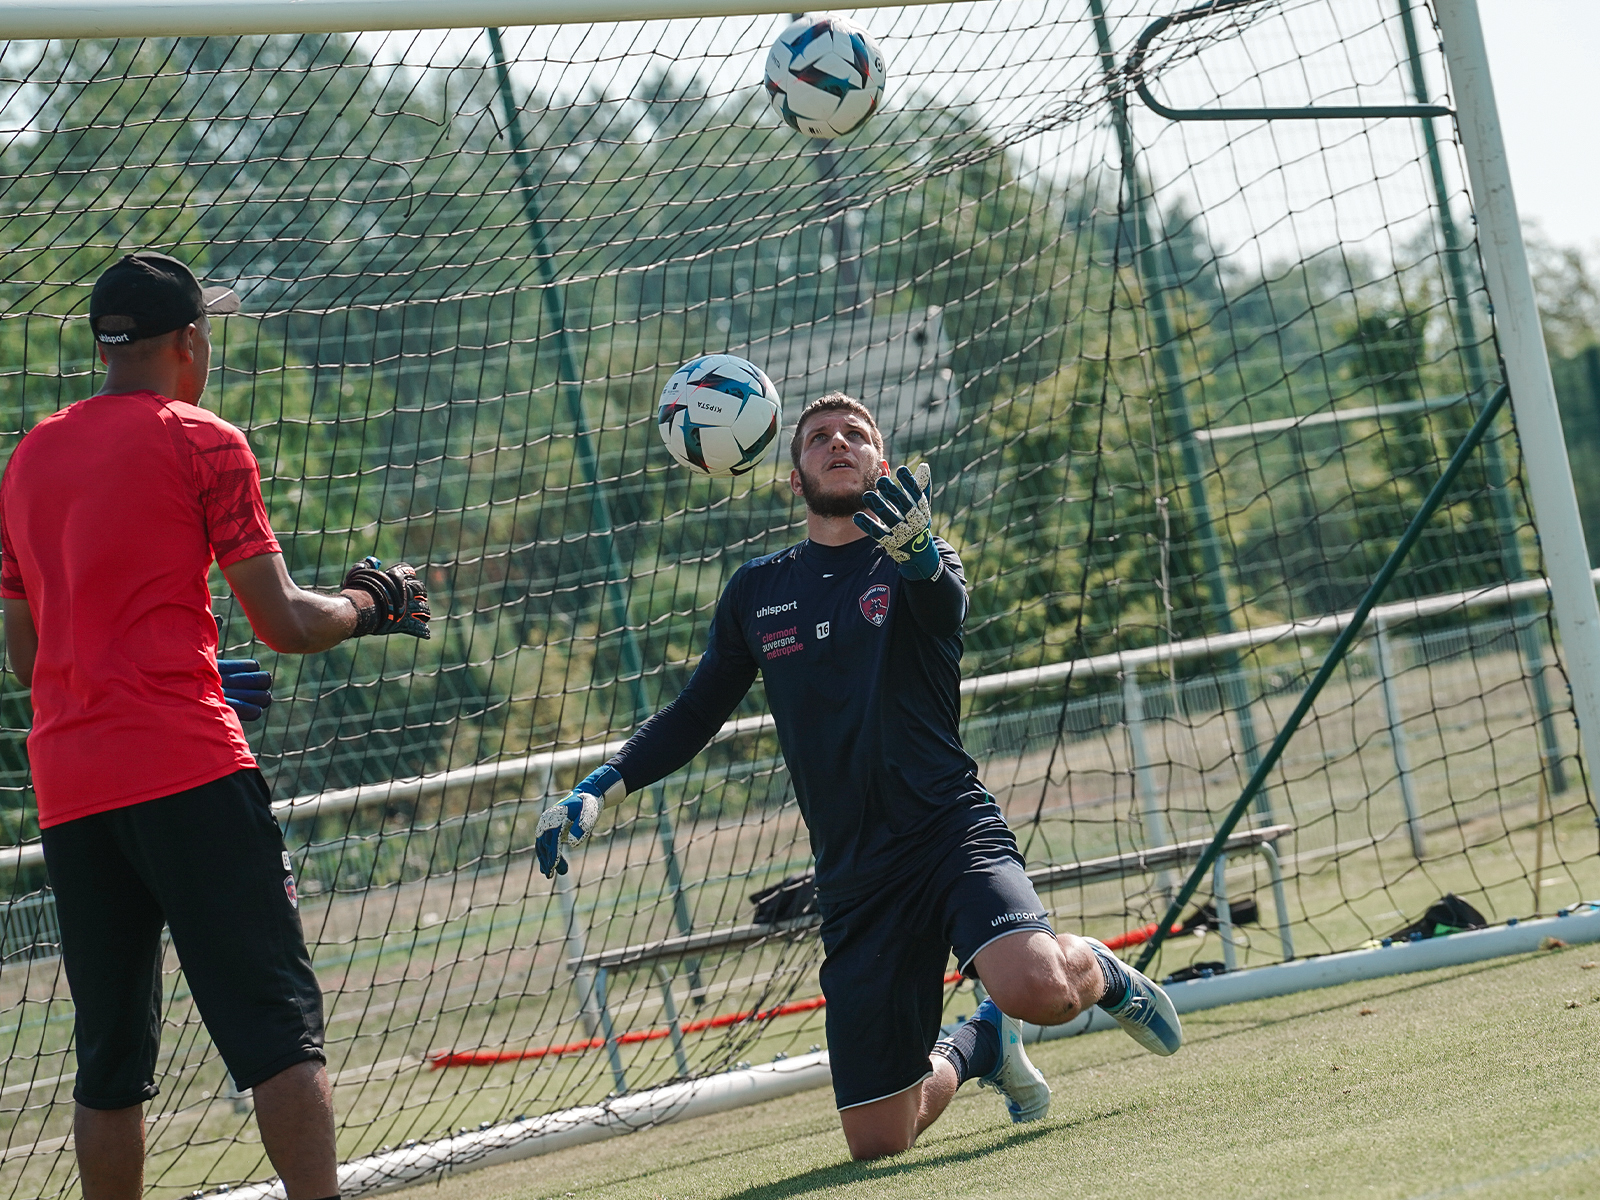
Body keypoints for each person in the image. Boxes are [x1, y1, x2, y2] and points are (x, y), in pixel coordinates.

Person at [534, 392, 1183, 1160]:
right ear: (791, 473)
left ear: (881, 463)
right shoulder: (757, 590)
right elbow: (696, 709)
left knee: (1037, 991)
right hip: (853, 871)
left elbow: (946, 608)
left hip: (949, 833)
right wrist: (601, 784)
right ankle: (981, 1047)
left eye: (856, 435)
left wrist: (919, 555)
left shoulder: (917, 560)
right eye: (817, 438)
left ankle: (1100, 971)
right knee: (881, 1141)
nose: (837, 444)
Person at [0, 252, 431, 1200]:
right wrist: (369, 603)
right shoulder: (203, 440)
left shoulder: (27, 458)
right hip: (188, 767)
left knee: (110, 1058)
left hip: (72, 790)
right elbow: (283, 621)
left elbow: (28, 663)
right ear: (188, 343)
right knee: (277, 1027)